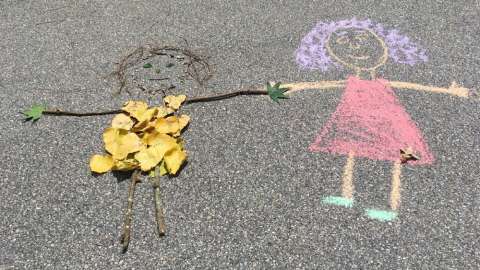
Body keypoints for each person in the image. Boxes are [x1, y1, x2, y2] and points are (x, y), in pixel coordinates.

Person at [282, 18, 471, 221]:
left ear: (383, 45)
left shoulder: (381, 81)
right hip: (355, 119)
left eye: (363, 38)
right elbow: (320, 85)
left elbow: (409, 85)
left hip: (388, 121)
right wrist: (290, 87)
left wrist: (449, 91)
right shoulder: (351, 80)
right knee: (352, 151)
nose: (356, 47)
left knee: (396, 158)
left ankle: (389, 204)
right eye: (344, 43)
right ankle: (346, 194)